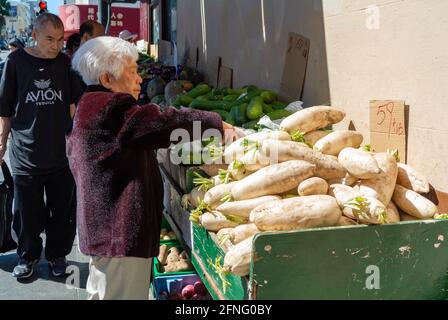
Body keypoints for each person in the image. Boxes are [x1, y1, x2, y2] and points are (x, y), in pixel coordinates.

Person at [68, 36, 233, 300]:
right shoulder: (110, 108)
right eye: (132, 71)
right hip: (118, 235)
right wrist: (215, 124)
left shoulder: (90, 105)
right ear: (107, 79)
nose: (139, 79)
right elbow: (162, 122)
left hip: (106, 233)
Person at [0, 13, 83, 279]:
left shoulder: (65, 64)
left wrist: (78, 143)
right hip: (25, 154)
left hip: (61, 155)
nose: (56, 45)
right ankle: (28, 256)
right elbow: (4, 109)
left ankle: (58, 255)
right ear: (34, 35)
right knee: (27, 214)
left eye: (60, 40)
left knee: (62, 212)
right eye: (50, 39)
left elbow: (73, 107)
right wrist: (1, 143)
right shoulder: (15, 62)